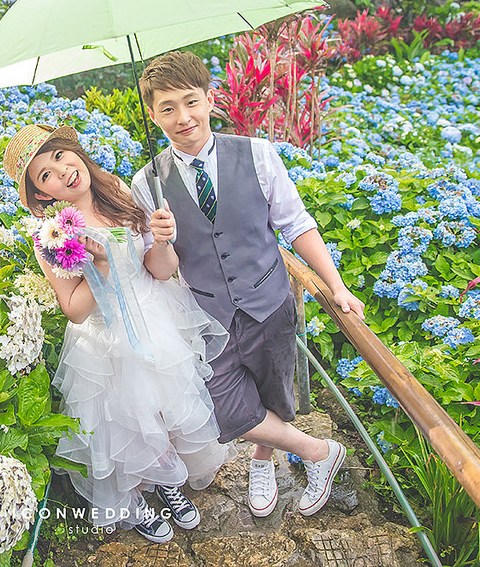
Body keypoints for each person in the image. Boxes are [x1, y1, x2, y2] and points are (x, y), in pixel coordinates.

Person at [130, 50, 366, 519]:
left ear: (210, 100)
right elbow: (161, 269)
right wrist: (159, 240)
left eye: (190, 102)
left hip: (269, 300)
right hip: (205, 316)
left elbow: (297, 225)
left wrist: (336, 286)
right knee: (226, 411)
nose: (183, 117)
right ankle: (321, 452)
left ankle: (264, 460)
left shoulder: (257, 154)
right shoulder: (147, 183)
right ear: (153, 115)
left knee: (275, 393)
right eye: (168, 108)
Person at [3, 124, 233, 543]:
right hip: (103, 339)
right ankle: (134, 501)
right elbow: (73, 311)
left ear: (72, 150)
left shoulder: (118, 191)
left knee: (165, 407)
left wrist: (164, 240)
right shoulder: (51, 237)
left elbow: (159, 270)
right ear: (42, 195)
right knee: (125, 423)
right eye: (45, 175)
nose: (62, 171)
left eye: (58, 156)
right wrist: (101, 270)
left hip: (155, 313)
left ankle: (167, 478)